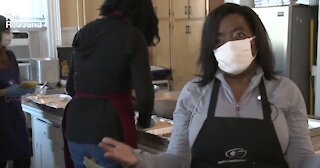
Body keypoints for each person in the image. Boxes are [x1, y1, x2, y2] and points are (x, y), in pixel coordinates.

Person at [98, 3, 320, 168]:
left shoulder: (285, 91)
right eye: (218, 39)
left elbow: (301, 160)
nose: (229, 45)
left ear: (256, 39)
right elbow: (177, 159)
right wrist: (141, 160)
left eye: (239, 35)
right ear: (211, 48)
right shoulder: (194, 93)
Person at [64, 0, 159, 167]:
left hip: (75, 128)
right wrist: (144, 122)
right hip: (109, 131)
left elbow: (71, 87)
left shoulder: (84, 31)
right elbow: (145, 97)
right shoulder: (133, 36)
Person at [0, 15, 35, 168]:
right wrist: (6, 92)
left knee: (23, 161)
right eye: (6, 30)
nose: (9, 34)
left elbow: (15, 82)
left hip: (15, 119)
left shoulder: (11, 56)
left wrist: (23, 89)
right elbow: (9, 89)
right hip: (1, 123)